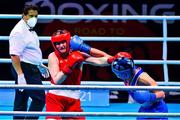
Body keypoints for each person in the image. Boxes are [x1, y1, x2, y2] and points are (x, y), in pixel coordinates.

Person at [46, 29, 122, 120]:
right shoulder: (53, 56)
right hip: (55, 99)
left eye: (63, 42)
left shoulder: (77, 54)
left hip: (74, 101)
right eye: (57, 43)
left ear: (68, 41)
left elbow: (100, 60)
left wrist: (112, 59)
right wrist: (69, 65)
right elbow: (57, 81)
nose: (60, 46)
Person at [9, 4, 49, 120]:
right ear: (24, 15)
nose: (34, 18)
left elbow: (31, 51)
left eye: (36, 16)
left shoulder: (29, 30)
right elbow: (14, 55)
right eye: (31, 15)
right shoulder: (19, 32)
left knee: (21, 99)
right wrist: (20, 75)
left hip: (30, 67)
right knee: (39, 98)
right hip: (25, 69)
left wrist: (39, 64)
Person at [111, 52, 168, 120]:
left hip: (157, 109)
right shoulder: (120, 66)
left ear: (130, 70)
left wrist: (149, 97)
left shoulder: (142, 78)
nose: (119, 76)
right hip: (144, 108)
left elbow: (162, 94)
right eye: (117, 73)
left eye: (123, 74)